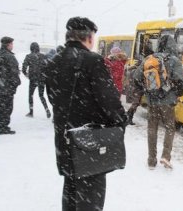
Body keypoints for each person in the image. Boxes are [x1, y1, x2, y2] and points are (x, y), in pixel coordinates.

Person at [45, 17, 127, 211]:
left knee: (71, 191)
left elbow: (53, 96)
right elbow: (108, 99)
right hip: (88, 141)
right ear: (89, 38)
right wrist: (121, 121)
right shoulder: (92, 60)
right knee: (90, 196)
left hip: (64, 138)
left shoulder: (55, 60)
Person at [133, 35, 183, 169]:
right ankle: (165, 157)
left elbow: (136, 77)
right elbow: (180, 81)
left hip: (151, 101)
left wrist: (147, 90)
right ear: (172, 46)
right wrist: (176, 93)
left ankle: (151, 160)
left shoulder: (149, 59)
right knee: (169, 128)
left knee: (152, 128)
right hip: (167, 102)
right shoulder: (174, 60)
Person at [0, 37, 21, 135]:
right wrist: (15, 85)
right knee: (7, 108)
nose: (12, 45)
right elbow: (14, 73)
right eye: (12, 44)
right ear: (8, 44)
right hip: (6, 88)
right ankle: (3, 127)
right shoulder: (9, 57)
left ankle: (1, 125)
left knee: (0, 107)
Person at [126, 40, 154, 125]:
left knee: (137, 102)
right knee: (136, 102)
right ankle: (128, 117)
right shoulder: (145, 60)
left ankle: (128, 116)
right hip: (138, 84)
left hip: (139, 84)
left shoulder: (143, 59)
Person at [22, 42, 51, 118]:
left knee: (30, 95)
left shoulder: (28, 56)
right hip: (42, 79)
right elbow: (48, 67)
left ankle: (31, 112)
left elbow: (23, 69)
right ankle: (47, 109)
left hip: (33, 79)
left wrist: (27, 74)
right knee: (41, 96)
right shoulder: (43, 56)